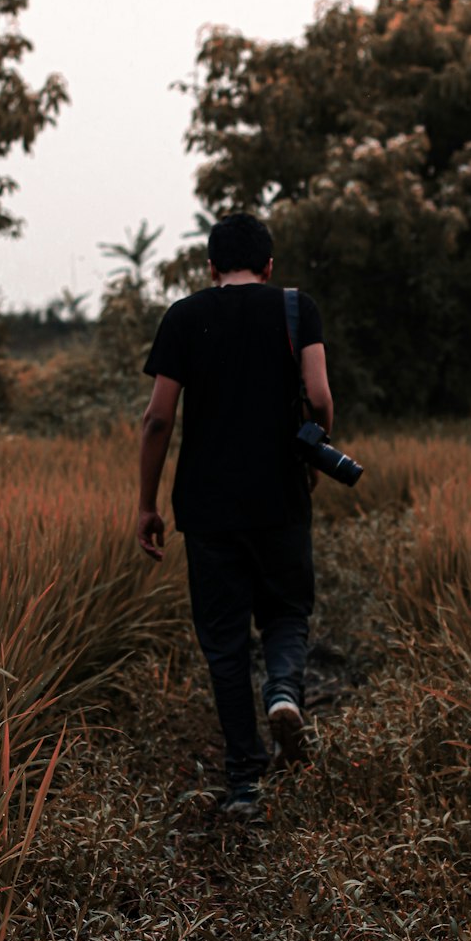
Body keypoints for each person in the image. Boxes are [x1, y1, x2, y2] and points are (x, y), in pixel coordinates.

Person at [138, 212, 333, 818]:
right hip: (279, 497)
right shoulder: (296, 309)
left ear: (211, 266)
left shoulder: (183, 316)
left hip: (207, 506)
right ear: (269, 266)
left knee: (223, 645)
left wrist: (147, 503)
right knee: (287, 612)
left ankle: (245, 782)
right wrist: (312, 451)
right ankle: (282, 689)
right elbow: (321, 398)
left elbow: (158, 419)